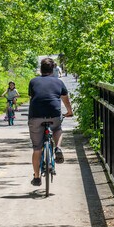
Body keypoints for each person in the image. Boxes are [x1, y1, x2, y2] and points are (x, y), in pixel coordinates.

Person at [27, 57, 73, 186]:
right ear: (53, 70)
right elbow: (65, 99)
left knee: (37, 149)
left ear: (41, 70)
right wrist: (69, 111)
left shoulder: (33, 81)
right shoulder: (58, 82)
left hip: (36, 116)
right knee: (57, 129)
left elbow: (33, 97)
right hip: (53, 115)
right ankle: (58, 147)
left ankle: (36, 177)